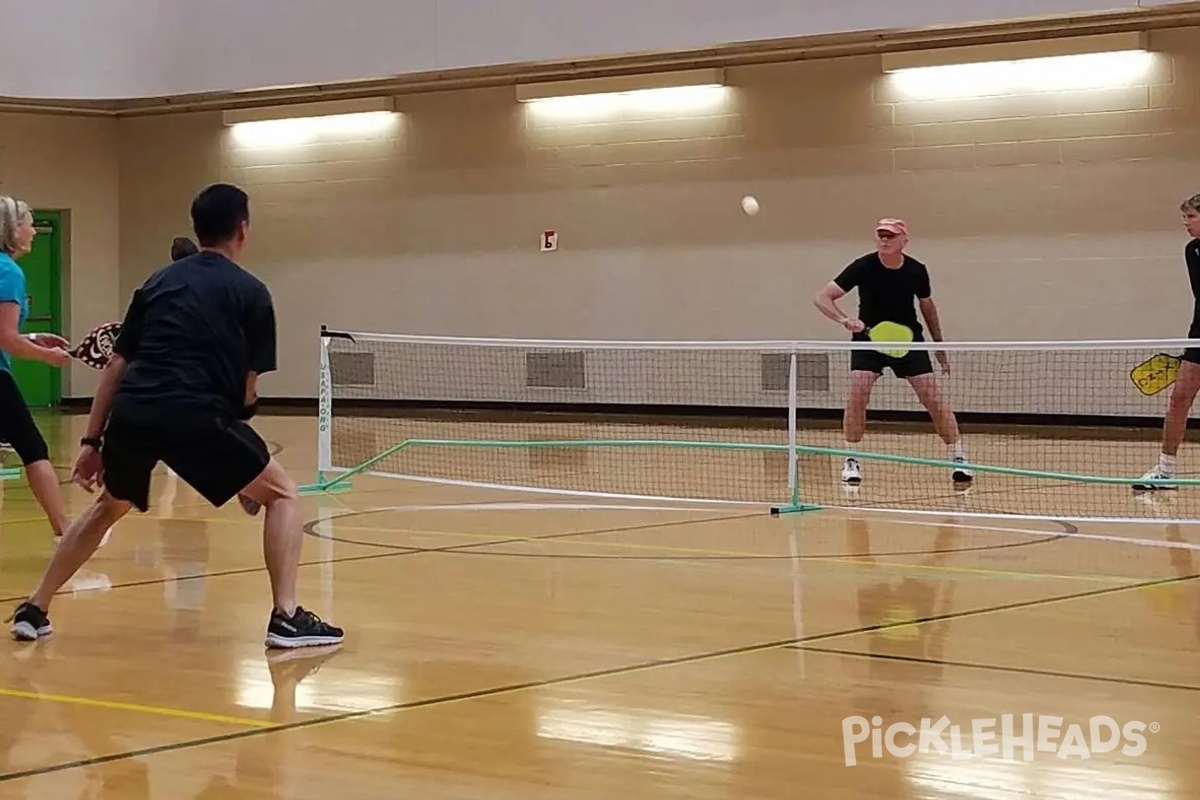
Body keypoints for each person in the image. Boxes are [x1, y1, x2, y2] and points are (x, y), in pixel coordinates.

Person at [9, 183, 344, 649]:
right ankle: (286, 616)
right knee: (284, 494)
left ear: (198, 228)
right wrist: (242, 423)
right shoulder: (252, 293)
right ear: (243, 230)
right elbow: (248, 391)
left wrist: (91, 442)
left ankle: (35, 608)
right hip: (196, 414)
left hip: (135, 411)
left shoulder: (157, 284)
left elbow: (117, 366)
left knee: (109, 505)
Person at [813, 218, 972, 486]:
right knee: (858, 391)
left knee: (932, 398)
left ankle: (958, 457)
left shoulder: (916, 270)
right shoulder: (862, 266)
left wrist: (938, 345)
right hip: (869, 337)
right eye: (881, 236)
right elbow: (822, 297)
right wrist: (845, 320)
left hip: (908, 339)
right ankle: (850, 458)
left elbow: (927, 307)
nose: (885, 240)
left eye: (891, 236)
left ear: (903, 241)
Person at [0, 196, 96, 545]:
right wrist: (46, 357)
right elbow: (6, 339)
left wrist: (35, 337)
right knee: (33, 448)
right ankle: (65, 531)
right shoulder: (8, 272)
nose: (33, 231)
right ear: (13, 230)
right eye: (28, 223)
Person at [1134, 193, 1200, 491]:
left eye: (1191, 217)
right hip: (1199, 338)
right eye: (1185, 217)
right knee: (1178, 399)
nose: (1186, 223)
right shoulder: (1193, 251)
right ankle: (1165, 470)